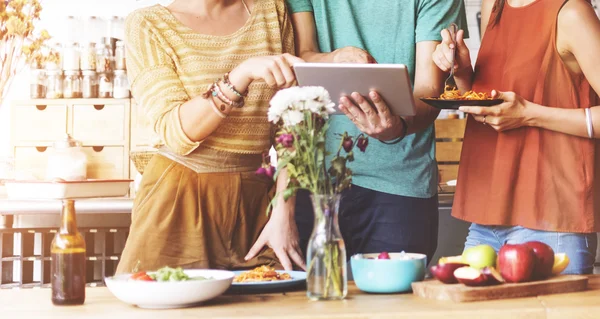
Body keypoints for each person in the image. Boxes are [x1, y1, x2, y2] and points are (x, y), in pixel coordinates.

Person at [116, 0, 307, 273]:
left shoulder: (272, 11)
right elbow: (177, 132)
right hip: (177, 198)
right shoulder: (147, 24)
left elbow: (294, 122)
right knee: (169, 306)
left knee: (271, 304)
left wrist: (283, 212)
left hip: (256, 200)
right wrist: (240, 75)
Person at [283, 0, 468, 264]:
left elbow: (429, 91)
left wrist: (398, 127)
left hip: (400, 184)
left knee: (395, 303)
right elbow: (300, 55)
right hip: (314, 180)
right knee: (312, 299)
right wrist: (333, 58)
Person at [432, 0, 600, 274]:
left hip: (551, 221)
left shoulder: (571, 12)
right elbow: (493, 103)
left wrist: (530, 114)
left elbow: (520, 110)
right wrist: (462, 71)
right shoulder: (494, 6)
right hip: (488, 217)